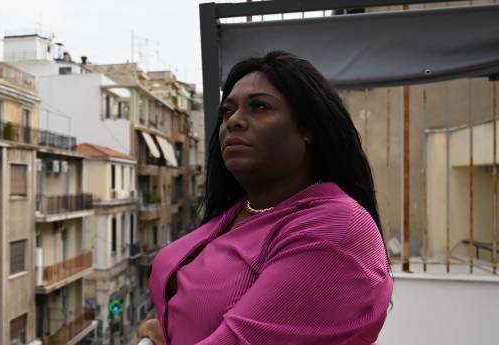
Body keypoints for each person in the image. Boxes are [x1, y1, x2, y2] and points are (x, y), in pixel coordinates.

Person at [136, 51, 392, 345]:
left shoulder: (337, 228)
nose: (233, 121)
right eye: (227, 111)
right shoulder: (241, 210)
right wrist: (167, 328)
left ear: (309, 128)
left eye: (259, 106)